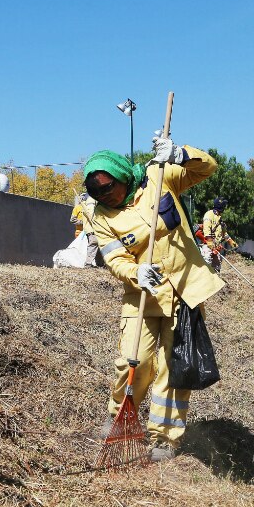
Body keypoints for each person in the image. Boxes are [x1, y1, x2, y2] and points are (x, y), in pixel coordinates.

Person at [85, 138, 225, 462]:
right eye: (100, 194)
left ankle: (164, 438)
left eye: (112, 187)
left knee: (171, 368)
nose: (110, 196)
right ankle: (119, 418)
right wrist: (136, 271)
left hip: (183, 291)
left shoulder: (159, 176)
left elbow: (208, 167)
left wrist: (180, 154)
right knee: (133, 363)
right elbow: (114, 258)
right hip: (142, 297)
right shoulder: (102, 216)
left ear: (122, 175)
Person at [201, 197, 236, 272]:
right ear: (221, 206)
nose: (224, 208)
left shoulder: (220, 218)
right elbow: (207, 230)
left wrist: (231, 242)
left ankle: (215, 282)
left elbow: (224, 233)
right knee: (206, 266)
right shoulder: (209, 215)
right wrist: (211, 244)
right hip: (207, 246)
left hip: (216, 246)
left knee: (216, 268)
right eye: (224, 206)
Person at [70, 192, 101, 266]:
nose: (83, 198)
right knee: (85, 247)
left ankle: (91, 263)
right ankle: (87, 263)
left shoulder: (89, 206)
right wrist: (82, 222)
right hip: (81, 231)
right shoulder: (78, 207)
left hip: (87, 229)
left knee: (91, 246)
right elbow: (72, 220)